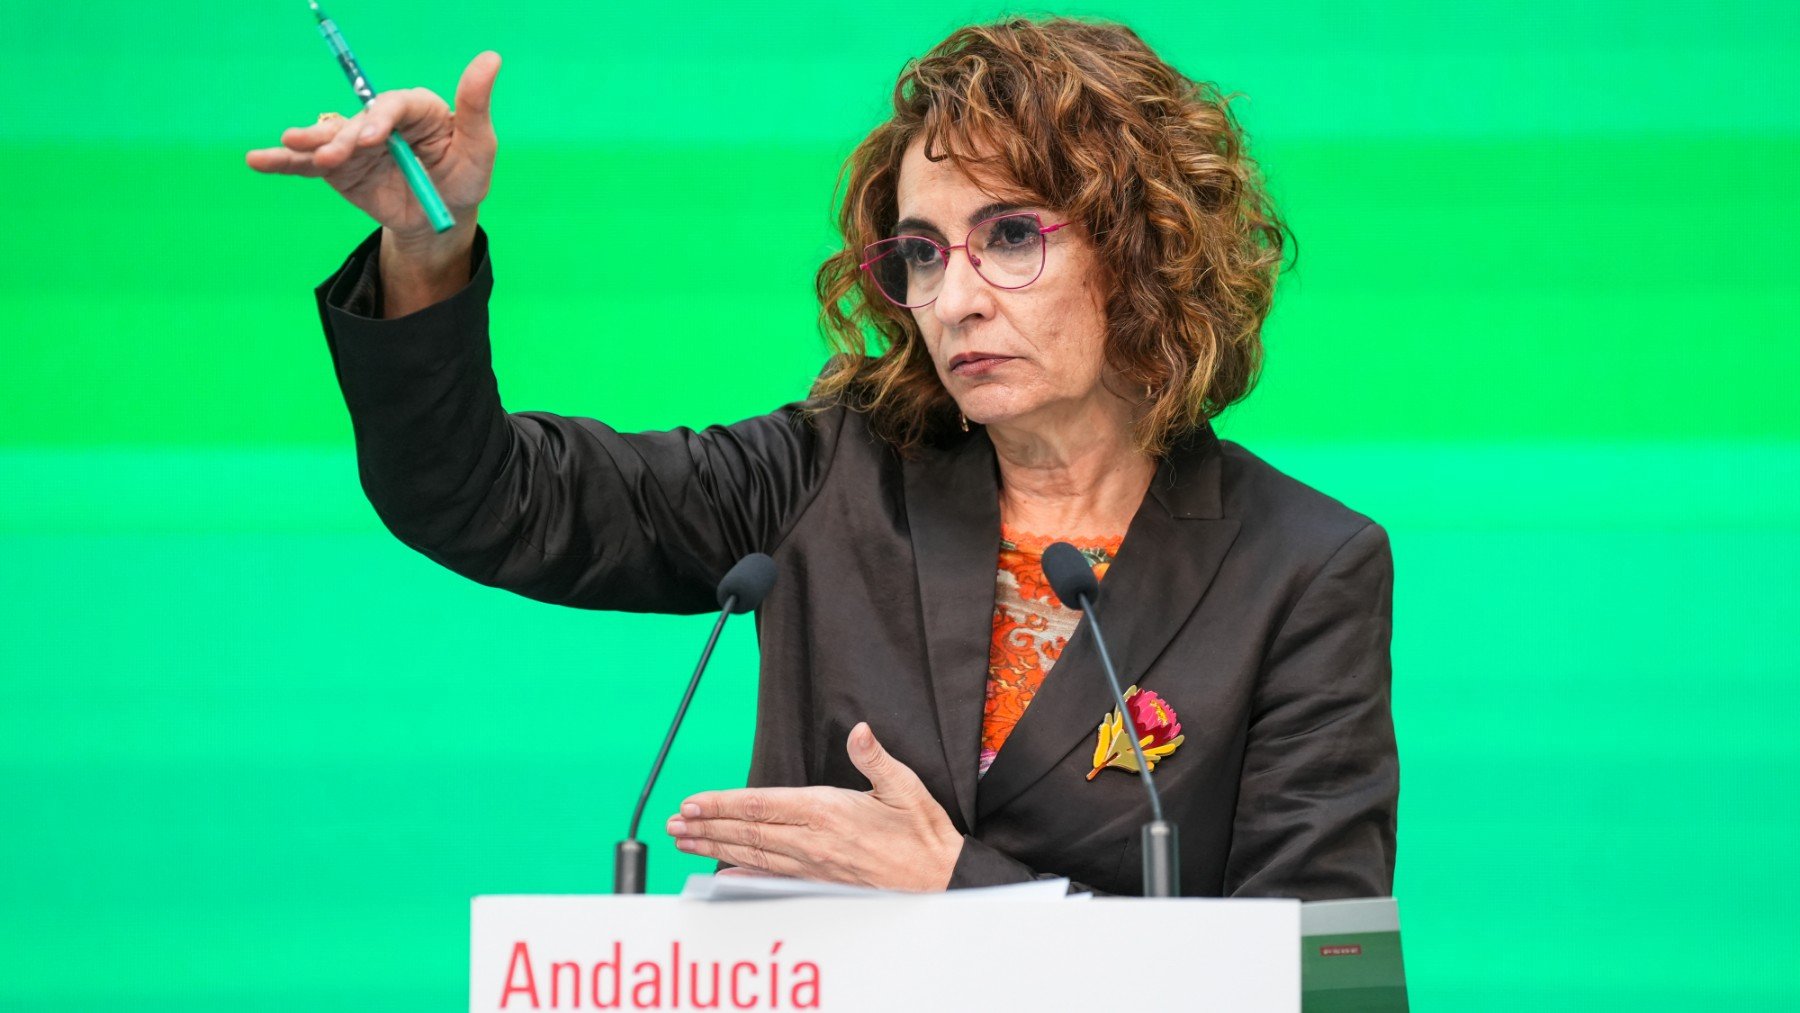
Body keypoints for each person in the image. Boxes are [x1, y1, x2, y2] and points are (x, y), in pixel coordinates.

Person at [246, 18, 1397, 898]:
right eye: (923, 253)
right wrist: (421, 246)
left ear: (1147, 246)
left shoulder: (1306, 568)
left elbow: (1311, 979)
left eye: (1009, 237)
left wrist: (961, 891)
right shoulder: (828, 474)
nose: (956, 299)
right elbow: (482, 497)